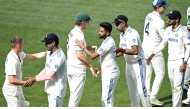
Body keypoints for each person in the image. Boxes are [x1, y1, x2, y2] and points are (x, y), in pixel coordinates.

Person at [147, 10, 190, 107]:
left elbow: (188, 47)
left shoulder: (184, 31)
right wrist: (153, 54)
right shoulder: (168, 30)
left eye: (171, 18)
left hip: (180, 62)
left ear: (177, 19)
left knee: (177, 87)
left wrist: (185, 62)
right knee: (173, 85)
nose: (169, 19)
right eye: (168, 17)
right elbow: (163, 44)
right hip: (170, 62)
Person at [75, 22, 120, 107]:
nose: (99, 32)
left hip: (111, 73)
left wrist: (82, 47)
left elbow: (92, 56)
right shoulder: (106, 41)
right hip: (107, 72)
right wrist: (101, 68)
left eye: (101, 31)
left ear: (107, 33)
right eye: (100, 30)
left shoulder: (108, 43)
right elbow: (107, 58)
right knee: (105, 99)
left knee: (107, 99)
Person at [112, 15, 151, 107]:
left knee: (141, 90)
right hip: (128, 65)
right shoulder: (122, 35)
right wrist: (111, 56)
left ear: (123, 23)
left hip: (138, 64)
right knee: (132, 91)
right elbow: (122, 52)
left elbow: (134, 51)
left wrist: (121, 50)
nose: (116, 26)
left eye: (117, 24)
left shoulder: (132, 33)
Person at [24, 33, 67, 107]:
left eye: (47, 43)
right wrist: (34, 78)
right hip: (50, 89)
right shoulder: (50, 53)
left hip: (56, 92)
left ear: (53, 43)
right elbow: (47, 69)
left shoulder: (59, 57)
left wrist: (34, 79)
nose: (45, 45)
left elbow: (49, 76)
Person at [2, 36, 46, 107]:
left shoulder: (19, 54)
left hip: (17, 88)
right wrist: (26, 82)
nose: (23, 45)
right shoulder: (12, 61)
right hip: (11, 92)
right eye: (22, 44)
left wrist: (44, 53)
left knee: (24, 106)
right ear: (19, 46)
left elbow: (32, 56)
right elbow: (11, 80)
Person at [141, 0, 169, 106]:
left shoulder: (148, 15)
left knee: (147, 73)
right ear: (158, 8)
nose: (165, 8)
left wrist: (165, 25)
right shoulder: (159, 21)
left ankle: (146, 95)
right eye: (164, 7)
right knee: (160, 73)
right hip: (154, 51)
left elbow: (156, 27)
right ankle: (153, 97)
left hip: (145, 48)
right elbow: (165, 38)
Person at [66, 12, 97, 107]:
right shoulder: (79, 35)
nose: (89, 23)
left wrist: (91, 47)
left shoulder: (72, 32)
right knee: (74, 100)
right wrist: (90, 65)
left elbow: (77, 47)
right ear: (83, 22)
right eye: (88, 22)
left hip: (70, 68)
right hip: (77, 70)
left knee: (73, 96)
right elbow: (79, 55)